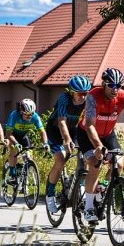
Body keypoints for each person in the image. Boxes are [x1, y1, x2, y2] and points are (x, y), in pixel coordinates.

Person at [74, 68, 124, 225]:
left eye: (118, 85)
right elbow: (90, 126)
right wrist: (98, 147)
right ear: (103, 84)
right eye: (111, 85)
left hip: (108, 134)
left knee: (119, 164)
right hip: (87, 134)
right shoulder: (93, 96)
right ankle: (88, 207)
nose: (115, 89)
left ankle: (101, 188)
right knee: (95, 164)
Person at [45, 75, 91, 213]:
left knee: (85, 156)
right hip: (55, 129)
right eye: (79, 93)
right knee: (60, 159)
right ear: (72, 92)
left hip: (73, 129)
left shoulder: (87, 100)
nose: (83, 97)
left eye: (85, 93)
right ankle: (50, 194)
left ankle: (80, 185)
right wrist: (67, 140)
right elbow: (62, 122)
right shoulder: (64, 98)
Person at [4, 98, 49, 183]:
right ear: (21, 111)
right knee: (14, 151)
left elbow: (42, 131)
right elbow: (8, 133)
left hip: (24, 136)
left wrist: (45, 143)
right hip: (12, 136)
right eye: (27, 114)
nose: (29, 116)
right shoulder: (14, 115)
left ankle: (25, 179)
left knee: (28, 156)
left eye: (31, 114)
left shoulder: (35, 117)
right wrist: (16, 143)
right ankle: (12, 175)